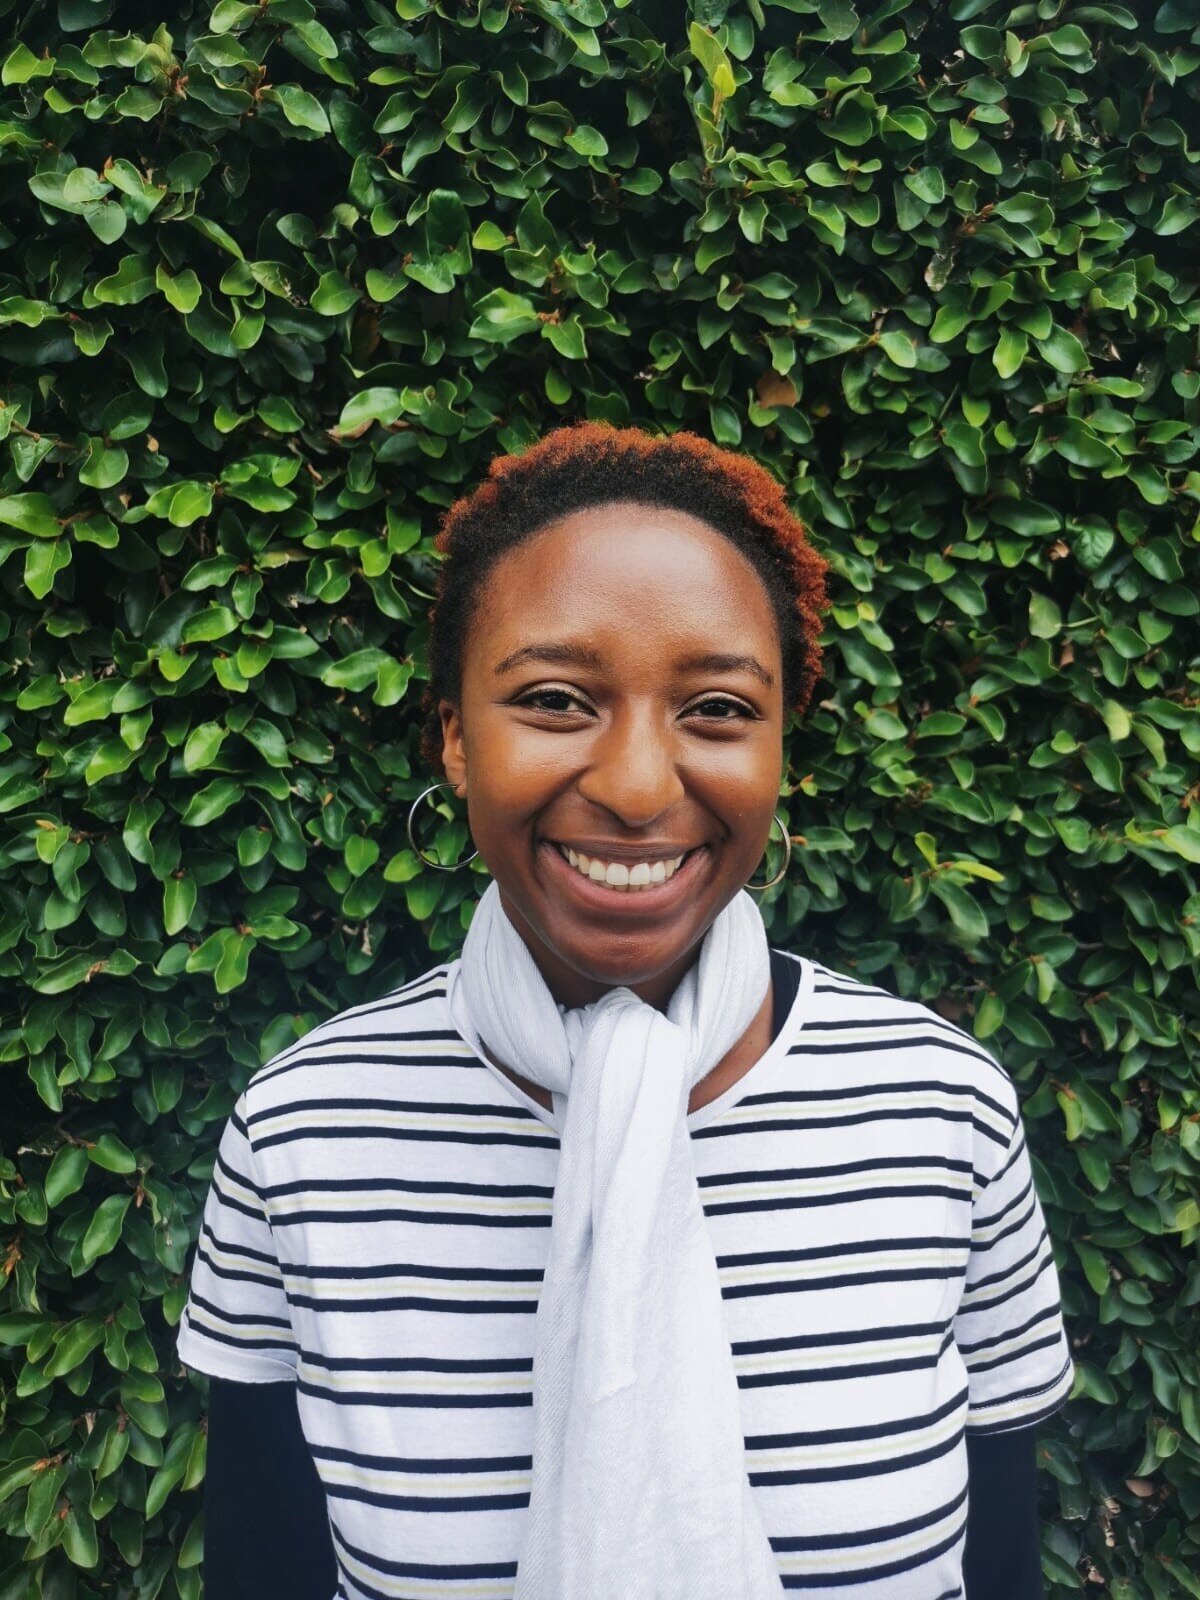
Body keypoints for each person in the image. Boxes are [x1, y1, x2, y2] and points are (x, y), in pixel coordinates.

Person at [178, 422, 1075, 1600]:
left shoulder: (940, 1109)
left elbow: (1000, 1560)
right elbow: (265, 1569)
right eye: (554, 698)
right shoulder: (304, 1130)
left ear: (779, 746)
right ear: (456, 736)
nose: (641, 787)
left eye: (715, 708)